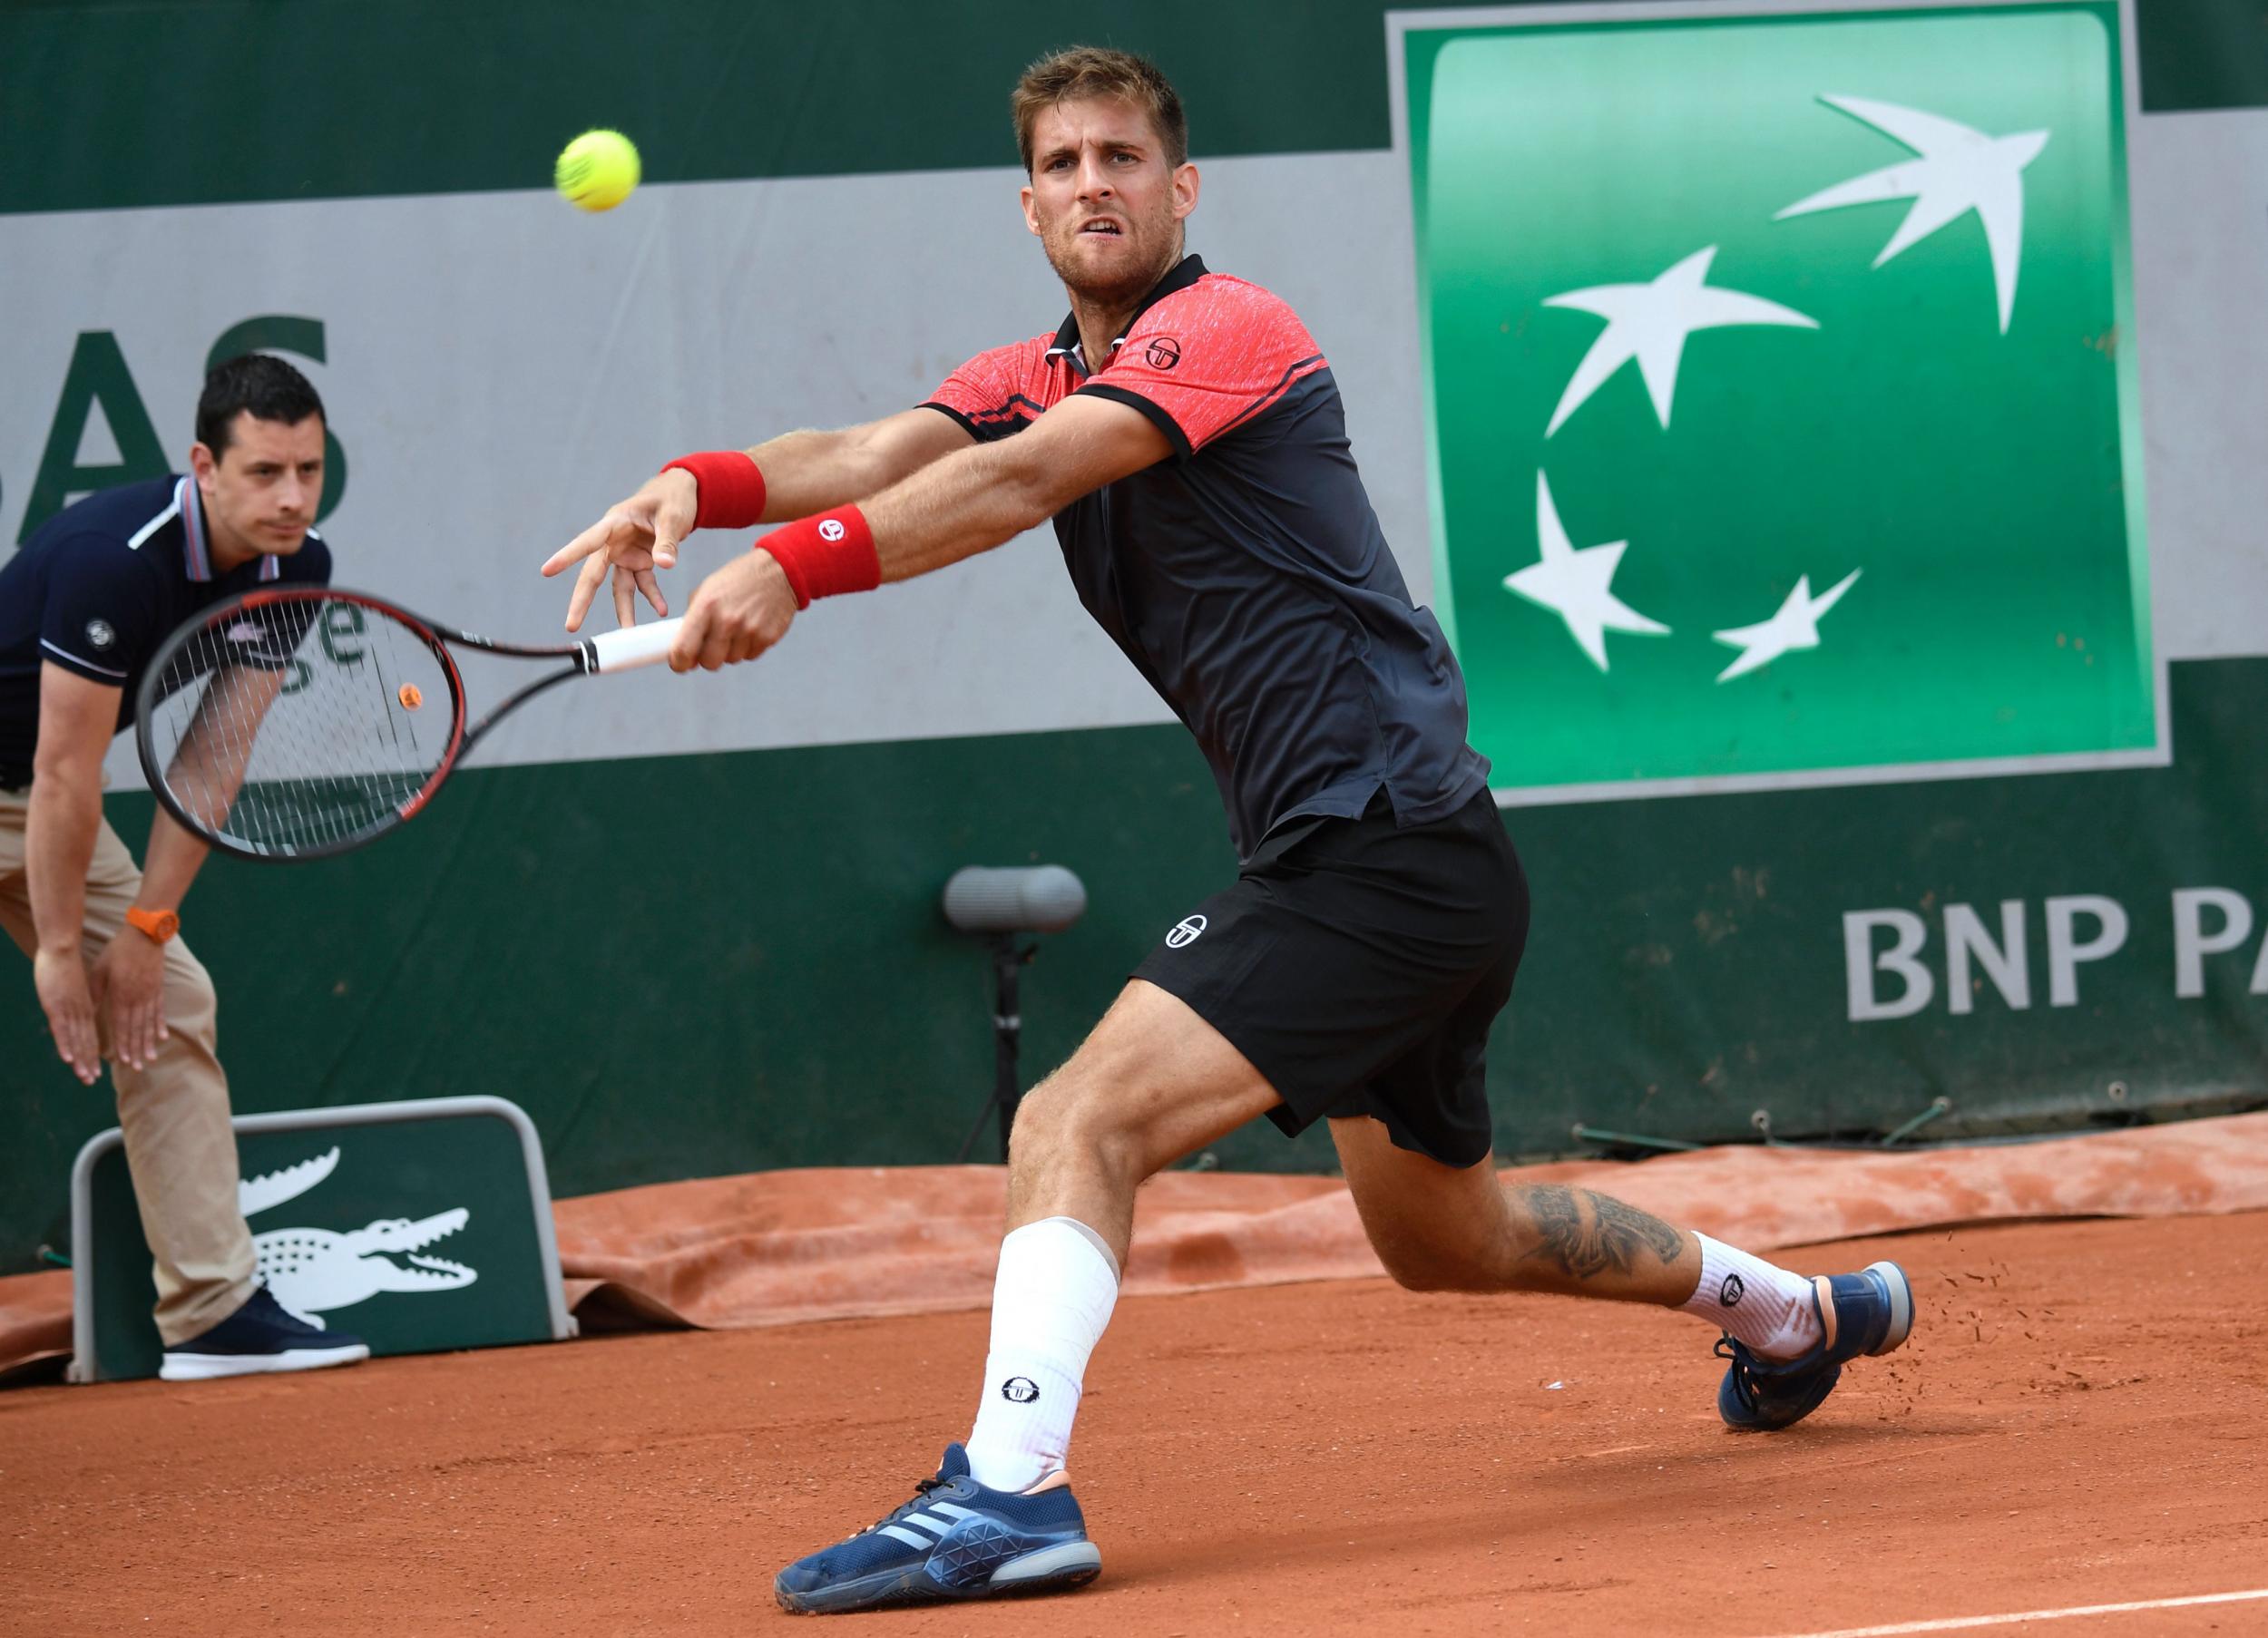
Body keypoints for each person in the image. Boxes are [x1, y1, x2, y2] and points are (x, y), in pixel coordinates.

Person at [544, 46, 1917, 1615]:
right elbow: (878, 454)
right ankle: (1804, 1315)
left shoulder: (1229, 331)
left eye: (1120, 158)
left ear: (1178, 187)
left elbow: (1023, 481)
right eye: (1060, 165)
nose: (1091, 186)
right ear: (1029, 203)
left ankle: (1005, 1489)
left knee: (1076, 1121)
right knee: (1448, 1238)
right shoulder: (1028, 365)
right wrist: (690, 485)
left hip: (1381, 844)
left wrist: (799, 569)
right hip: (1399, 858)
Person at [1, 354, 370, 1382]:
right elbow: (67, 764)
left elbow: (212, 756)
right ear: (205, 464)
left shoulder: (295, 567)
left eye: (308, 468)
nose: (292, 497)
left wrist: (146, 929)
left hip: (29, 807)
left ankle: (209, 1313)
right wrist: (63, 951)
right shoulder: (113, 558)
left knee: (169, 999)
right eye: (264, 473)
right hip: (45, 783)